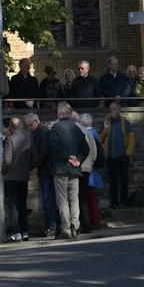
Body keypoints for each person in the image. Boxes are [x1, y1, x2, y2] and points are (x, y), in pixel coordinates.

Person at [49, 102, 92, 238]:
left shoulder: (56, 128)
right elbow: (86, 148)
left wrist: (67, 157)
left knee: (62, 200)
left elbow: (54, 146)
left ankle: (66, 228)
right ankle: (75, 225)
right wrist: (77, 159)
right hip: (74, 169)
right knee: (74, 199)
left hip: (61, 168)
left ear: (61, 113)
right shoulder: (77, 129)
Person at [1, 115, 33, 240]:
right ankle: (25, 231)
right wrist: (27, 168)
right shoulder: (28, 138)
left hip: (11, 176)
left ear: (10, 127)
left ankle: (16, 232)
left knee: (13, 205)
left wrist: (3, 171)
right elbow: (34, 157)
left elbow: (7, 160)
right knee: (22, 204)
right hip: (23, 176)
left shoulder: (10, 139)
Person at [29, 110, 59, 236]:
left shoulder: (43, 132)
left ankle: (52, 225)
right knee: (47, 199)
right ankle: (49, 224)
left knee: (49, 199)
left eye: (30, 125)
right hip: (44, 170)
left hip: (47, 171)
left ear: (36, 122)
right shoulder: (39, 132)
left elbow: (44, 152)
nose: (29, 128)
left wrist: (33, 164)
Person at [104, 100, 132, 208]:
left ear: (119, 110)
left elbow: (131, 139)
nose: (112, 111)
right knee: (113, 181)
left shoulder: (125, 123)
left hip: (122, 156)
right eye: (111, 109)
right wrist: (105, 130)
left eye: (114, 109)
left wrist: (128, 153)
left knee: (124, 180)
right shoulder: (107, 123)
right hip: (110, 156)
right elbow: (101, 138)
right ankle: (114, 201)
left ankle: (124, 200)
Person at [79, 111, 102, 231]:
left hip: (88, 170)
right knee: (91, 198)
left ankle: (93, 221)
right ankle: (94, 221)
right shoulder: (94, 133)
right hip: (91, 170)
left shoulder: (88, 133)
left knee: (89, 198)